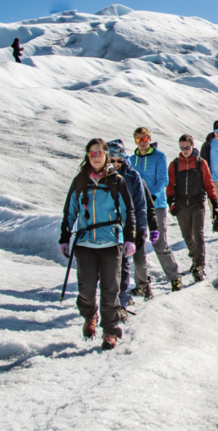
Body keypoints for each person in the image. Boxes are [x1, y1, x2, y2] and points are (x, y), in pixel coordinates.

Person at [58, 138, 136, 350]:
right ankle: (89, 316)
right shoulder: (79, 180)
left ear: (106, 155)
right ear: (87, 156)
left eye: (99, 153)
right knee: (86, 288)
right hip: (85, 244)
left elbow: (128, 211)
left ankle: (110, 331)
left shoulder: (116, 181)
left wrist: (130, 238)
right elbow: (69, 211)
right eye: (92, 154)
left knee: (111, 289)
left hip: (111, 243)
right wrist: (65, 239)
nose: (96, 158)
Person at [128, 127, 181, 294]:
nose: (142, 142)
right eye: (138, 139)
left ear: (149, 139)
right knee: (138, 245)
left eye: (144, 139)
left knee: (159, 243)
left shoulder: (159, 157)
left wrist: (152, 196)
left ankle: (174, 278)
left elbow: (163, 180)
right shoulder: (131, 160)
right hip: (137, 207)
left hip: (156, 205)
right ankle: (141, 284)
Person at [107, 139, 155, 319]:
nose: (116, 164)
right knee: (107, 268)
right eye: (112, 160)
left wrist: (141, 229)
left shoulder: (132, 176)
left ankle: (122, 302)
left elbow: (141, 205)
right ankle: (110, 302)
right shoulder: (99, 175)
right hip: (104, 228)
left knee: (123, 266)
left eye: (119, 161)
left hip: (126, 227)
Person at [166, 134, 218, 283]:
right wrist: (171, 202)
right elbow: (169, 186)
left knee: (198, 234)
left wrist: (215, 204)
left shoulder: (200, 163)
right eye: (182, 148)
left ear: (192, 145)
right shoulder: (175, 165)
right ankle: (194, 258)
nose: (185, 150)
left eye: (187, 147)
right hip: (182, 205)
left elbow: (209, 184)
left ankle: (199, 266)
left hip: (197, 203)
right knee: (187, 236)